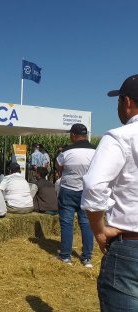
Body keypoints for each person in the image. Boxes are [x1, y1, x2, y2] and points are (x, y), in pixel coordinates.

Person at [82, 74, 138, 310]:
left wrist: (99, 230)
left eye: (118, 101)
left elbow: (94, 185)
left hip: (131, 247)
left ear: (127, 102)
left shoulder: (120, 137)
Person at [55, 123, 95, 267]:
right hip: (87, 191)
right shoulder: (95, 152)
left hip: (68, 190)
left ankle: (65, 256)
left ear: (73, 135)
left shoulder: (66, 152)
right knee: (86, 224)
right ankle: (87, 258)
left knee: (67, 223)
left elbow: (58, 167)